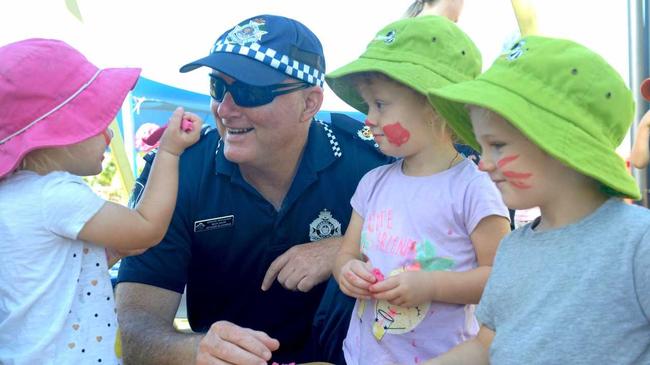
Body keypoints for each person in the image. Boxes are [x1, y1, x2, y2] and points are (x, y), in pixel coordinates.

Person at [115, 15, 393, 365]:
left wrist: (349, 247)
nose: (225, 109)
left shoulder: (371, 163)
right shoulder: (179, 172)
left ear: (310, 103)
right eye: (218, 88)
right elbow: (133, 322)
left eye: (250, 91)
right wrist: (193, 351)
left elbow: (457, 236)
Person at [425, 36, 650, 364]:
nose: (483, 162)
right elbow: (484, 346)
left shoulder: (637, 242)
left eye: (498, 145)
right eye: (481, 147)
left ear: (564, 145)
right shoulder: (513, 248)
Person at [0, 39, 202, 364]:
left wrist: (115, 250)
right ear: (58, 130)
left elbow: (53, 276)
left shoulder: (13, 196)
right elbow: (147, 228)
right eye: (96, 122)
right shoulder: (56, 194)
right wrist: (169, 151)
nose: (108, 133)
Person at [326, 16, 511, 364]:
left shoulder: (473, 189)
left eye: (380, 104)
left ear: (435, 105)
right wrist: (347, 272)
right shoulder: (373, 183)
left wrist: (432, 286)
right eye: (368, 106)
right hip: (362, 355)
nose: (368, 118)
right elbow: (346, 255)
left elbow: (501, 281)